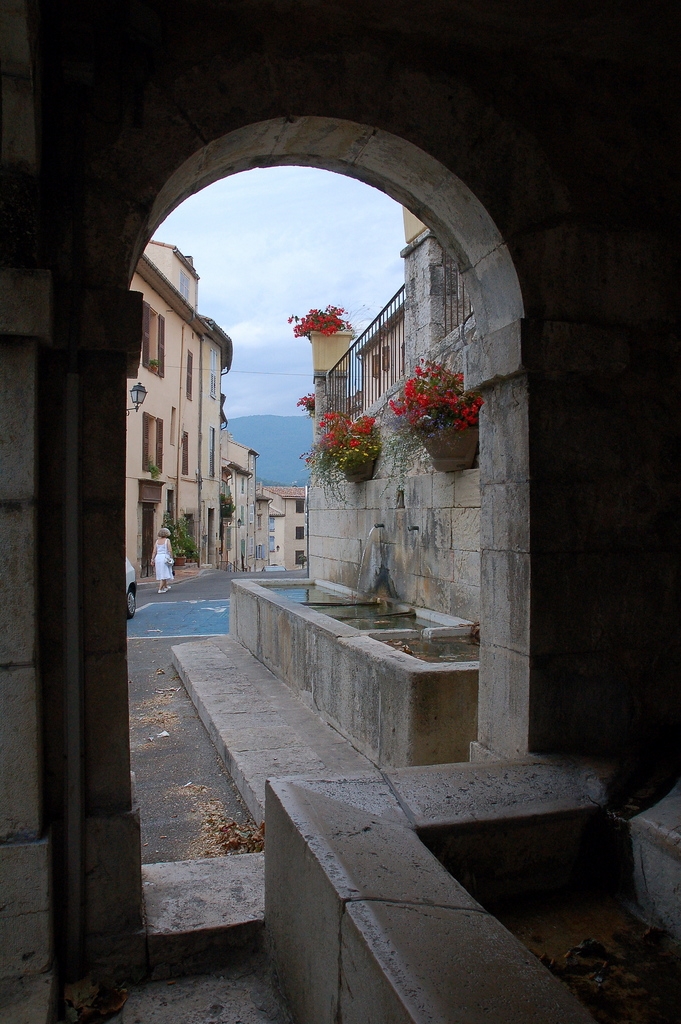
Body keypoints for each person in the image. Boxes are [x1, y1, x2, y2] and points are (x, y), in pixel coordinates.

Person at [153, 527, 173, 593]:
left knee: (161, 571)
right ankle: (160, 588)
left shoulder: (157, 541)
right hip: (164, 557)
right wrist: (171, 557)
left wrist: (152, 559)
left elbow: (154, 551)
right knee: (164, 573)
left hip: (158, 557)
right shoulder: (167, 540)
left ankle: (165, 586)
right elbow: (169, 549)